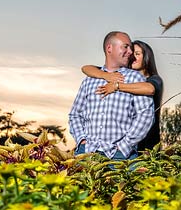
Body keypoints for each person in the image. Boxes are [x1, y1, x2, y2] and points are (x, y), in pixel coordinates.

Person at [68, 31, 153, 159]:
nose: (130, 52)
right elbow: (75, 114)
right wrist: (82, 141)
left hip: (121, 156)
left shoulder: (135, 77)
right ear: (109, 48)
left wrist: (124, 146)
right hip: (87, 153)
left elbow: (145, 115)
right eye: (126, 46)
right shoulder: (90, 80)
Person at [81, 40, 163, 151]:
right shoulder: (122, 76)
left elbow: (149, 89)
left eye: (137, 54)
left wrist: (116, 86)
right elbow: (86, 68)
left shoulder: (154, 79)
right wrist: (105, 75)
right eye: (131, 54)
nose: (133, 57)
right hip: (124, 145)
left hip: (147, 144)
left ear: (147, 57)